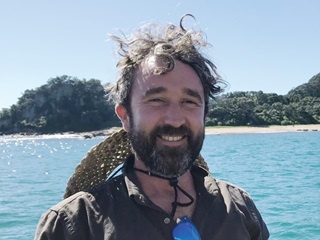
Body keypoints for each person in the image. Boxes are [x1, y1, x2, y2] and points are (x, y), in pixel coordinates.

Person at [35, 15, 269, 240]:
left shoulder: (239, 207)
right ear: (125, 116)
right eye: (156, 100)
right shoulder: (75, 223)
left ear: (204, 114)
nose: (175, 119)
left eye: (189, 102)